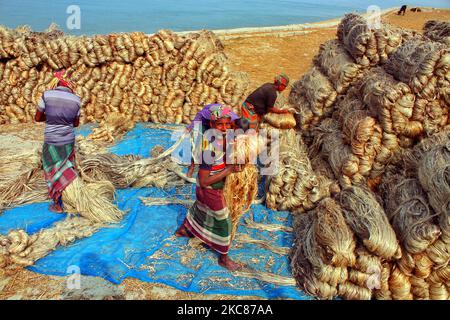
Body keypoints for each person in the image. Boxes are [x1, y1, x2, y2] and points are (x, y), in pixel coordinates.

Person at [176, 105, 243, 271]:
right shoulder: (209, 147)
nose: (225, 128)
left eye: (228, 124)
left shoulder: (222, 139)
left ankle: (185, 230)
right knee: (225, 221)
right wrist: (228, 170)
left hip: (209, 187)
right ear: (212, 125)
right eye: (220, 125)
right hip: (209, 188)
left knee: (201, 209)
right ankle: (224, 258)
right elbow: (205, 180)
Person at [34, 69, 81, 213]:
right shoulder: (76, 100)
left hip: (51, 140)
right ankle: (71, 198)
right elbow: (76, 123)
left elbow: (37, 117)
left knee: (52, 170)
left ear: (57, 81)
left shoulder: (47, 95)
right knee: (66, 167)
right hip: (68, 140)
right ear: (69, 84)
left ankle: (57, 203)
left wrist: (50, 118)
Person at [186, 103, 247, 178]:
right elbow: (200, 114)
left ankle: (221, 165)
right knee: (199, 144)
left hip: (217, 124)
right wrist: (190, 127)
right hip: (204, 123)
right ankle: (192, 167)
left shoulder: (232, 120)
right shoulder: (208, 113)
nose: (226, 129)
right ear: (233, 124)